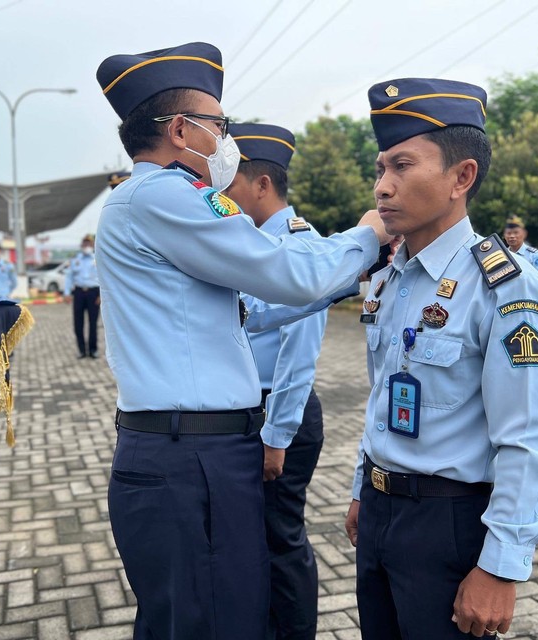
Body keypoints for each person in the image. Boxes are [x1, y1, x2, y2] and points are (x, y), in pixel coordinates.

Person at [95, 42, 389, 640]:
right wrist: (367, 235)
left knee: (202, 613)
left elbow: (251, 311)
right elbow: (286, 272)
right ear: (181, 129)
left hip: (191, 452)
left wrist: (345, 275)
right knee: (215, 619)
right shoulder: (168, 196)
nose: (226, 140)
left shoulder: (150, 203)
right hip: (191, 458)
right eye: (219, 125)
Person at [344, 78, 538, 639]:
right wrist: (363, 487)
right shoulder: (389, 280)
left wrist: (500, 566)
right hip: (382, 511)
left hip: (451, 524)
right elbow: (382, 396)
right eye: (380, 169)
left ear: (462, 177)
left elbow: (525, 436)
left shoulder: (504, 287)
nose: (382, 188)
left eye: (402, 166)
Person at [227, 122, 326, 640]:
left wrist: (276, 436)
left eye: (232, 183)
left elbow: (298, 355)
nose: (223, 194)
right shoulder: (247, 247)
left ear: (262, 185)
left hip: (280, 414)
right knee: (257, 539)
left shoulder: (298, 248)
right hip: (252, 409)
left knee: (281, 539)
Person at [63, 234, 100, 359]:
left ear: (93, 245)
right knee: (78, 323)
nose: (86, 246)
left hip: (94, 293)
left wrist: (101, 295)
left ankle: (93, 350)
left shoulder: (98, 259)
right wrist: (67, 293)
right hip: (79, 293)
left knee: (93, 323)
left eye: (89, 244)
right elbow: (69, 277)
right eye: (85, 244)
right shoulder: (75, 260)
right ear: (81, 245)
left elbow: (103, 278)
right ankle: (81, 350)